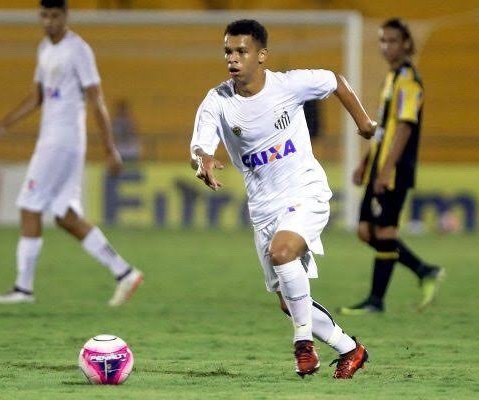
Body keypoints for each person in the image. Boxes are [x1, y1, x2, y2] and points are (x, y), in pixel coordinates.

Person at [190, 19, 376, 379]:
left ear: (261, 55)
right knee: (288, 302)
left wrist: (364, 122)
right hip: (264, 208)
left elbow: (335, 80)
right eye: (228, 51)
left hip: (306, 191)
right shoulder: (218, 100)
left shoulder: (289, 85)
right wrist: (204, 159)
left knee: (282, 252)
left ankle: (303, 345)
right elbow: (200, 141)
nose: (233, 58)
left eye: (241, 51)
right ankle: (351, 349)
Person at [0, 0, 143, 306]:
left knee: (29, 206)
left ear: (65, 16)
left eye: (55, 15)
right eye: (45, 15)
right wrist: (4, 124)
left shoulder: (77, 49)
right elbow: (37, 96)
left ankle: (23, 289)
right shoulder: (45, 48)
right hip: (56, 140)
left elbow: (96, 99)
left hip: (62, 140)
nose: (49, 21)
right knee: (65, 216)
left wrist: (110, 148)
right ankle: (124, 272)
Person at [337, 18, 444, 316]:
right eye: (383, 40)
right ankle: (423, 270)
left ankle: (376, 300)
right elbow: (385, 128)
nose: (386, 46)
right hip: (379, 167)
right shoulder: (392, 77)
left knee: (385, 232)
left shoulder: (409, 80)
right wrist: (366, 162)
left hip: (395, 170)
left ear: (407, 43)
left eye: (393, 40)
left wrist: (386, 170)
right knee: (364, 231)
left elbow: (405, 128)